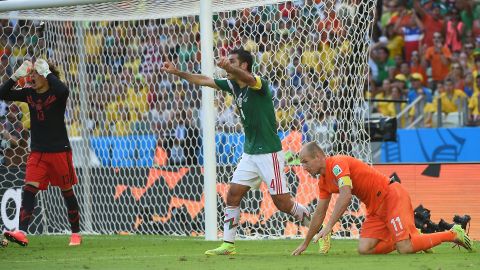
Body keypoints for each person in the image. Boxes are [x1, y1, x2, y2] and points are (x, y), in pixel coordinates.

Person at [161, 48, 311, 255]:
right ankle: (228, 245)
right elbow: (204, 80)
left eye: (232, 61)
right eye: (227, 61)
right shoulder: (233, 85)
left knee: (283, 203)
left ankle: (318, 228)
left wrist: (229, 67)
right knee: (233, 195)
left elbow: (250, 79)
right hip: (249, 154)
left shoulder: (259, 85)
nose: (227, 64)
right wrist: (178, 72)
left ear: (244, 65)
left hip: (270, 153)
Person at [291, 142, 472, 255]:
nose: (303, 167)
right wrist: (305, 243)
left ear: (318, 156)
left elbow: (345, 195)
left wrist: (329, 226)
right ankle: (414, 238)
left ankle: (453, 233)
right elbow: (319, 212)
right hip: (375, 208)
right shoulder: (323, 182)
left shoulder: (337, 164)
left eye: (305, 161)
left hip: (391, 196)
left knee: (405, 248)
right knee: (365, 249)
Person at [0, 59, 81, 246]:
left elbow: (64, 91)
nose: (32, 77)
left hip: (59, 151)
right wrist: (15, 76)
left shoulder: (57, 93)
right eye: (31, 74)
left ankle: (76, 233)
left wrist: (47, 73)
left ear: (45, 75)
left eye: (36, 73)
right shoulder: (29, 94)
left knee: (67, 191)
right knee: (29, 189)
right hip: (37, 152)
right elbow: (2, 93)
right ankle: (21, 232)